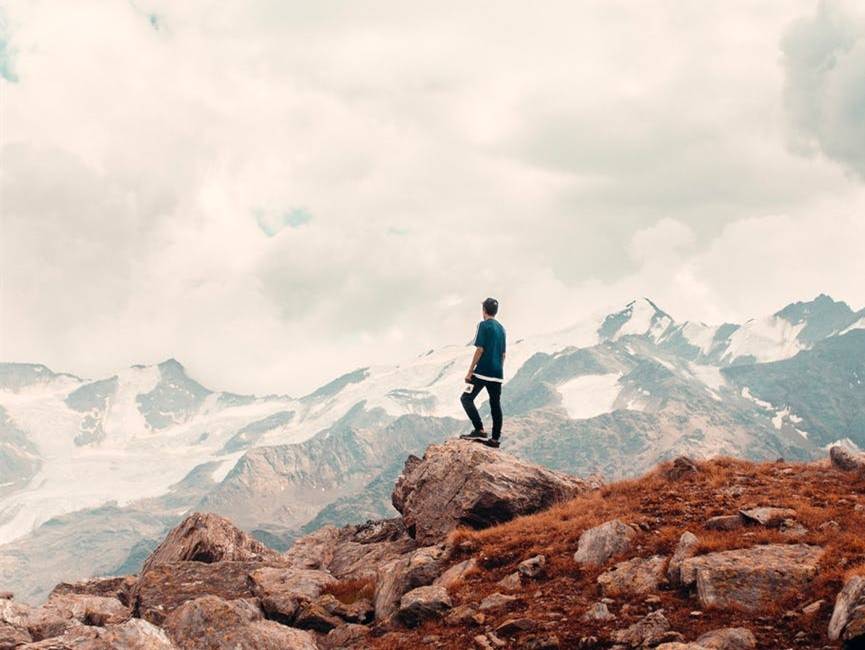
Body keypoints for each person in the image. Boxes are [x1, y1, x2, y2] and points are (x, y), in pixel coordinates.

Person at [460, 297, 506, 447]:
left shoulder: (483, 325)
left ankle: (479, 429)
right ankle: (495, 439)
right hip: (497, 374)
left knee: (466, 398)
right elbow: (503, 354)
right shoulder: (502, 329)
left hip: (481, 372)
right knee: (495, 405)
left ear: (484, 310)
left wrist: (470, 372)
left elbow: (480, 349)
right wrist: (498, 370)